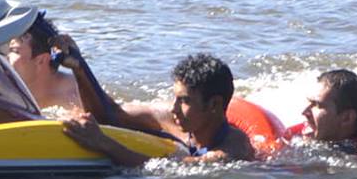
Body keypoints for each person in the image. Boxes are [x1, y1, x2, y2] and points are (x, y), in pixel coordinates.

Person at [53, 38, 259, 165]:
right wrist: (80, 69)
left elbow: (175, 169)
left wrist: (104, 143)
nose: (173, 108)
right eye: (175, 98)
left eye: (184, 101)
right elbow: (109, 115)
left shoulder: (234, 149)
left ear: (213, 105)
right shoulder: (170, 118)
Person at [284, 68, 357, 162]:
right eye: (309, 102)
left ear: (346, 118)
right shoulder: (308, 130)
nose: (305, 112)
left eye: (317, 105)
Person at [2, 12, 82, 116]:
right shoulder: (5, 89)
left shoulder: (75, 98)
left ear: (41, 60)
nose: (4, 57)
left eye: (13, 51)